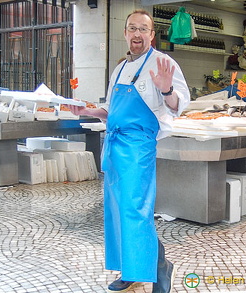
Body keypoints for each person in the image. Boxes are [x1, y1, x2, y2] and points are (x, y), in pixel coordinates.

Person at [68, 9, 190, 293]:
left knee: (136, 209)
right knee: (118, 210)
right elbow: (110, 108)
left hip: (138, 148)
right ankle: (130, 269)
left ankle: (160, 269)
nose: (137, 34)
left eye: (143, 29)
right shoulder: (120, 67)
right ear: (125, 33)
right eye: (132, 28)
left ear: (151, 34)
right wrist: (87, 110)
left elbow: (178, 105)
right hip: (114, 144)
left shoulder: (163, 63)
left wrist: (168, 89)